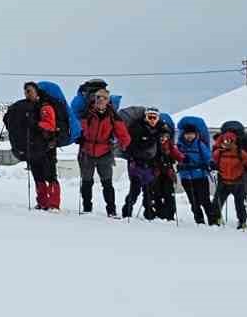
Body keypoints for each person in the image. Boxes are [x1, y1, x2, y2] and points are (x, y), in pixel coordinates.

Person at [77, 88, 130, 216]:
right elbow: (79, 129)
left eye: (104, 98)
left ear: (108, 101)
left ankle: (111, 210)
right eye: (98, 97)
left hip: (105, 152)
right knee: (87, 182)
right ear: (94, 99)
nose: (101, 100)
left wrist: (125, 145)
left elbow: (123, 133)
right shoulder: (87, 113)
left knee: (107, 183)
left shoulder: (113, 116)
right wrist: (79, 137)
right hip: (87, 151)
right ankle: (87, 208)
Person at [124, 107, 182, 220]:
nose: (152, 120)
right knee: (135, 190)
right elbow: (131, 146)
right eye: (149, 117)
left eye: (154, 117)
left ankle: (149, 214)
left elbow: (169, 148)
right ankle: (127, 212)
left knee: (149, 191)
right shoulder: (137, 128)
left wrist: (179, 159)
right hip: (137, 164)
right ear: (145, 117)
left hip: (151, 166)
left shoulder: (161, 130)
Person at [211, 129, 247, 228]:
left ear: (234, 141)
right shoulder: (219, 153)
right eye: (224, 141)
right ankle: (216, 220)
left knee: (240, 205)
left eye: (229, 141)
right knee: (217, 203)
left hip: (238, 182)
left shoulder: (240, 153)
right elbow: (213, 161)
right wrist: (213, 165)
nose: (226, 143)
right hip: (223, 182)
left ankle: (242, 222)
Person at [175, 120, 216, 224]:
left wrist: (211, 163)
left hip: (200, 177)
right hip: (186, 178)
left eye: (191, 134)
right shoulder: (179, 146)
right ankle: (199, 221)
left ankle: (213, 221)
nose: (189, 136)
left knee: (205, 201)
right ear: (183, 134)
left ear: (195, 134)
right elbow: (175, 156)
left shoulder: (199, 144)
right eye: (187, 134)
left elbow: (208, 156)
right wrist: (180, 161)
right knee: (194, 202)